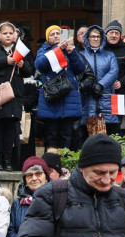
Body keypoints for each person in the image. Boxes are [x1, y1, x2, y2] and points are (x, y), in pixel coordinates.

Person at [0, 22, 34, 170]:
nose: (8, 35)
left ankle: (8, 160)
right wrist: (6, 61)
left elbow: (29, 72)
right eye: (5, 33)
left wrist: (22, 65)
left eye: (11, 33)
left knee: (11, 128)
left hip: (15, 95)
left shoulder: (19, 50)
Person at [33, 26, 88, 155]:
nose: (56, 36)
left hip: (68, 97)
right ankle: (51, 162)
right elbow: (40, 65)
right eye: (52, 34)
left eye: (58, 33)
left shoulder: (69, 50)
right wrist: (57, 50)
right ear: (48, 38)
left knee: (66, 133)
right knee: (51, 134)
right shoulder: (44, 50)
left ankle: (65, 162)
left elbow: (80, 69)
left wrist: (72, 53)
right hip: (52, 98)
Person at [80, 25, 119, 138]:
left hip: (106, 95)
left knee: (109, 132)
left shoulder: (109, 55)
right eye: (93, 36)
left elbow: (114, 71)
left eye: (98, 36)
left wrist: (101, 85)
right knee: (87, 132)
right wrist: (90, 85)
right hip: (88, 96)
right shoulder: (81, 55)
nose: (96, 39)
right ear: (87, 38)